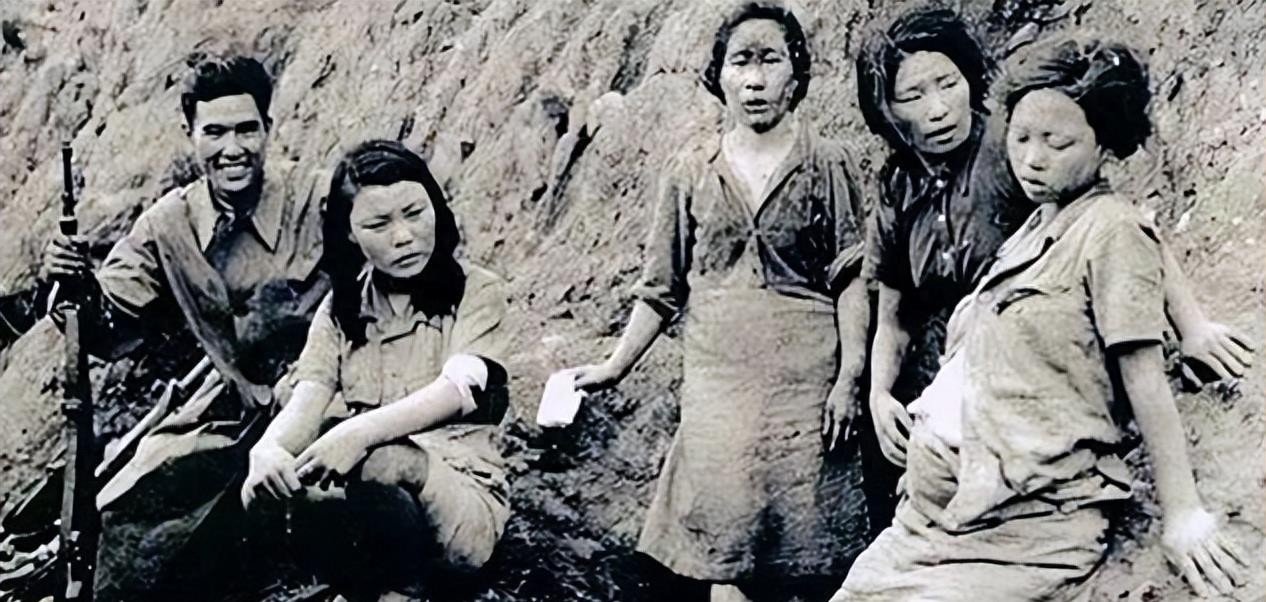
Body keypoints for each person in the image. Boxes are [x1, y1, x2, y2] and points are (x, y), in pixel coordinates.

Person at [831, 38, 1249, 601]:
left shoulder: (1108, 230)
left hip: (1020, 530)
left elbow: (1145, 377)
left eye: (1057, 142)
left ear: (1104, 143)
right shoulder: (1033, 223)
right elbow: (897, 311)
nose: (1032, 158)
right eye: (1022, 137)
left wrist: (1183, 514)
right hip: (935, 521)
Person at [561, 3, 870, 600]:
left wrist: (850, 378)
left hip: (805, 388)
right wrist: (614, 366)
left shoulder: (828, 161)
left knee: (805, 555)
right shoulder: (689, 170)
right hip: (719, 385)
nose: (754, 79)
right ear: (719, 76)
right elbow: (661, 288)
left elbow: (852, 277)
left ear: (796, 74)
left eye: (770, 60)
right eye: (740, 62)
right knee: (724, 555)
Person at [41, 54, 329, 601]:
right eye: (214, 132)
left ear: (268, 128)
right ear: (190, 134)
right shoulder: (166, 225)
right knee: (134, 503)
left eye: (246, 130)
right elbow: (108, 327)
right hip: (237, 415)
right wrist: (70, 283)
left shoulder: (318, 198)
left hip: (330, 400)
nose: (232, 149)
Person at [240, 140, 512, 602]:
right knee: (275, 487)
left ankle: (403, 593)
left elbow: (460, 389)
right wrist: (268, 451)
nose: (403, 236)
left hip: (460, 505)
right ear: (349, 233)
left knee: (384, 459)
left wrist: (358, 432)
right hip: (375, 506)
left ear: (436, 209)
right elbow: (307, 400)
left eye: (415, 213)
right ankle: (365, 586)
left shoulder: (477, 292)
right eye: (378, 224)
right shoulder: (341, 310)